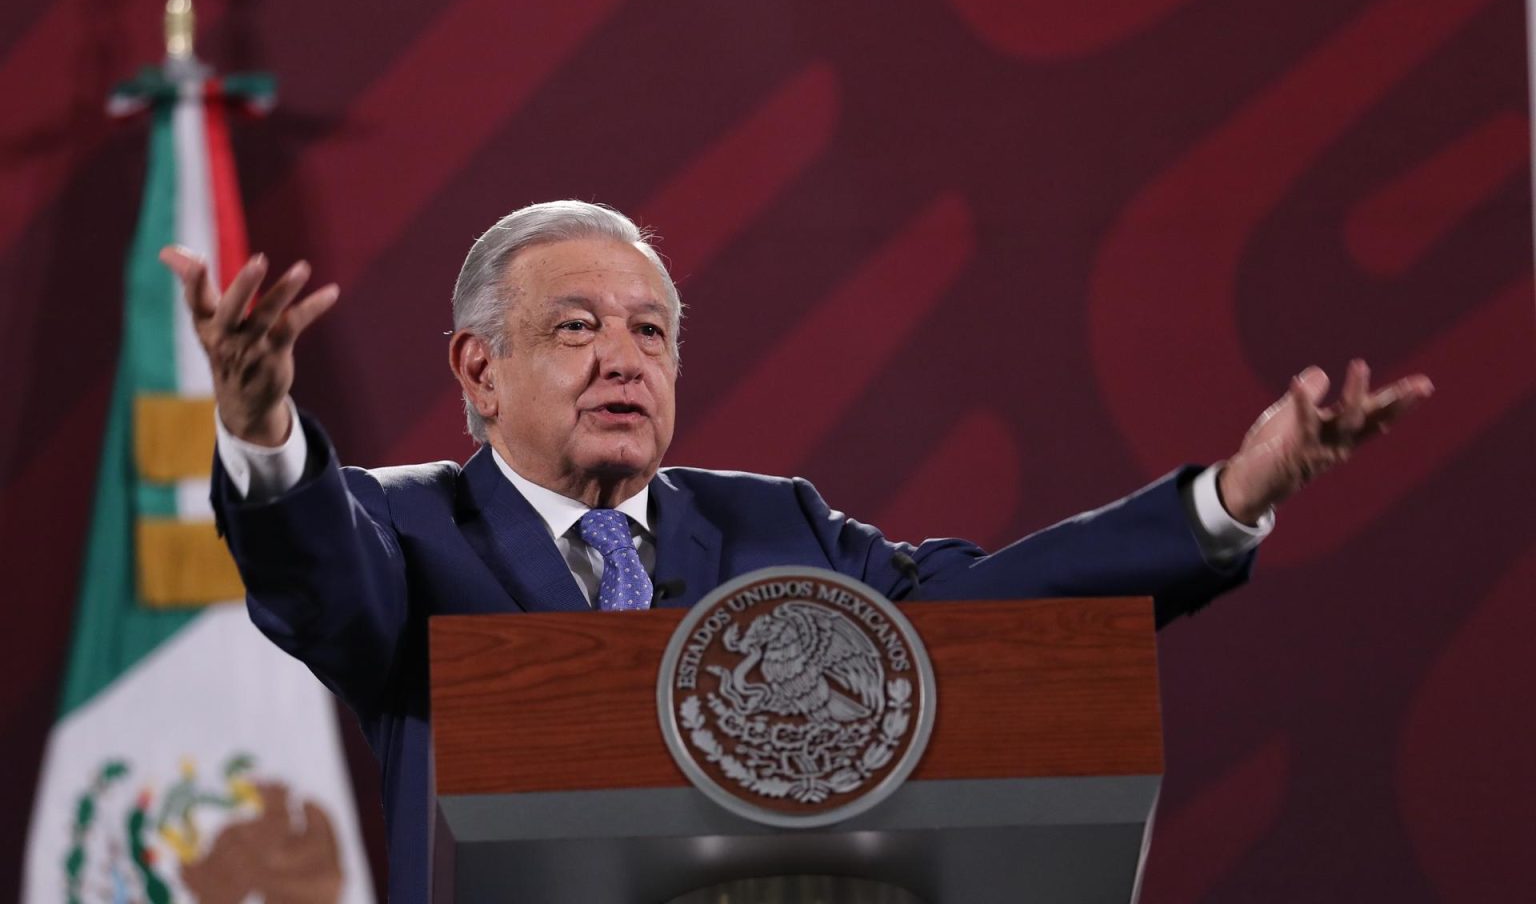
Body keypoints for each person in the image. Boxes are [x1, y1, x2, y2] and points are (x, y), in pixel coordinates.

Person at [160, 200, 1432, 903]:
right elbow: (321, 577)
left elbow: (989, 609)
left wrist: (1230, 494)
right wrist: (261, 425)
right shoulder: (408, 527)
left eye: (653, 332)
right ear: (479, 371)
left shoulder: (777, 527)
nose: (625, 358)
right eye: (579, 326)